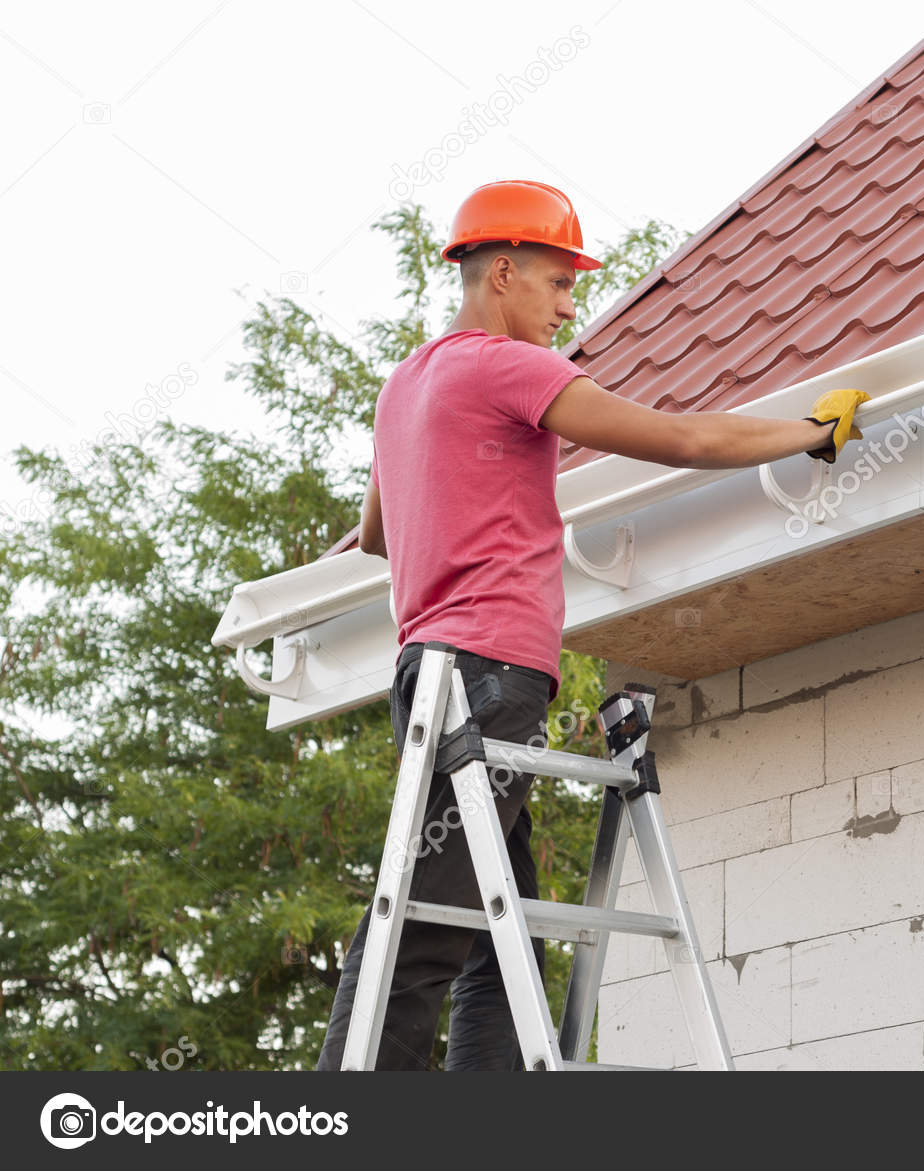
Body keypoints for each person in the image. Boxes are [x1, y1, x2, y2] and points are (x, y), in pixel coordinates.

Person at [316, 179, 869, 1070]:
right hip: (487, 679)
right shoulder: (509, 369)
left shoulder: (405, 384)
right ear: (503, 271)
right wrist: (805, 434)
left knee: (498, 940)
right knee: (419, 929)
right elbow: (679, 440)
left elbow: (379, 535)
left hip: (429, 678)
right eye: (559, 284)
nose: (568, 309)